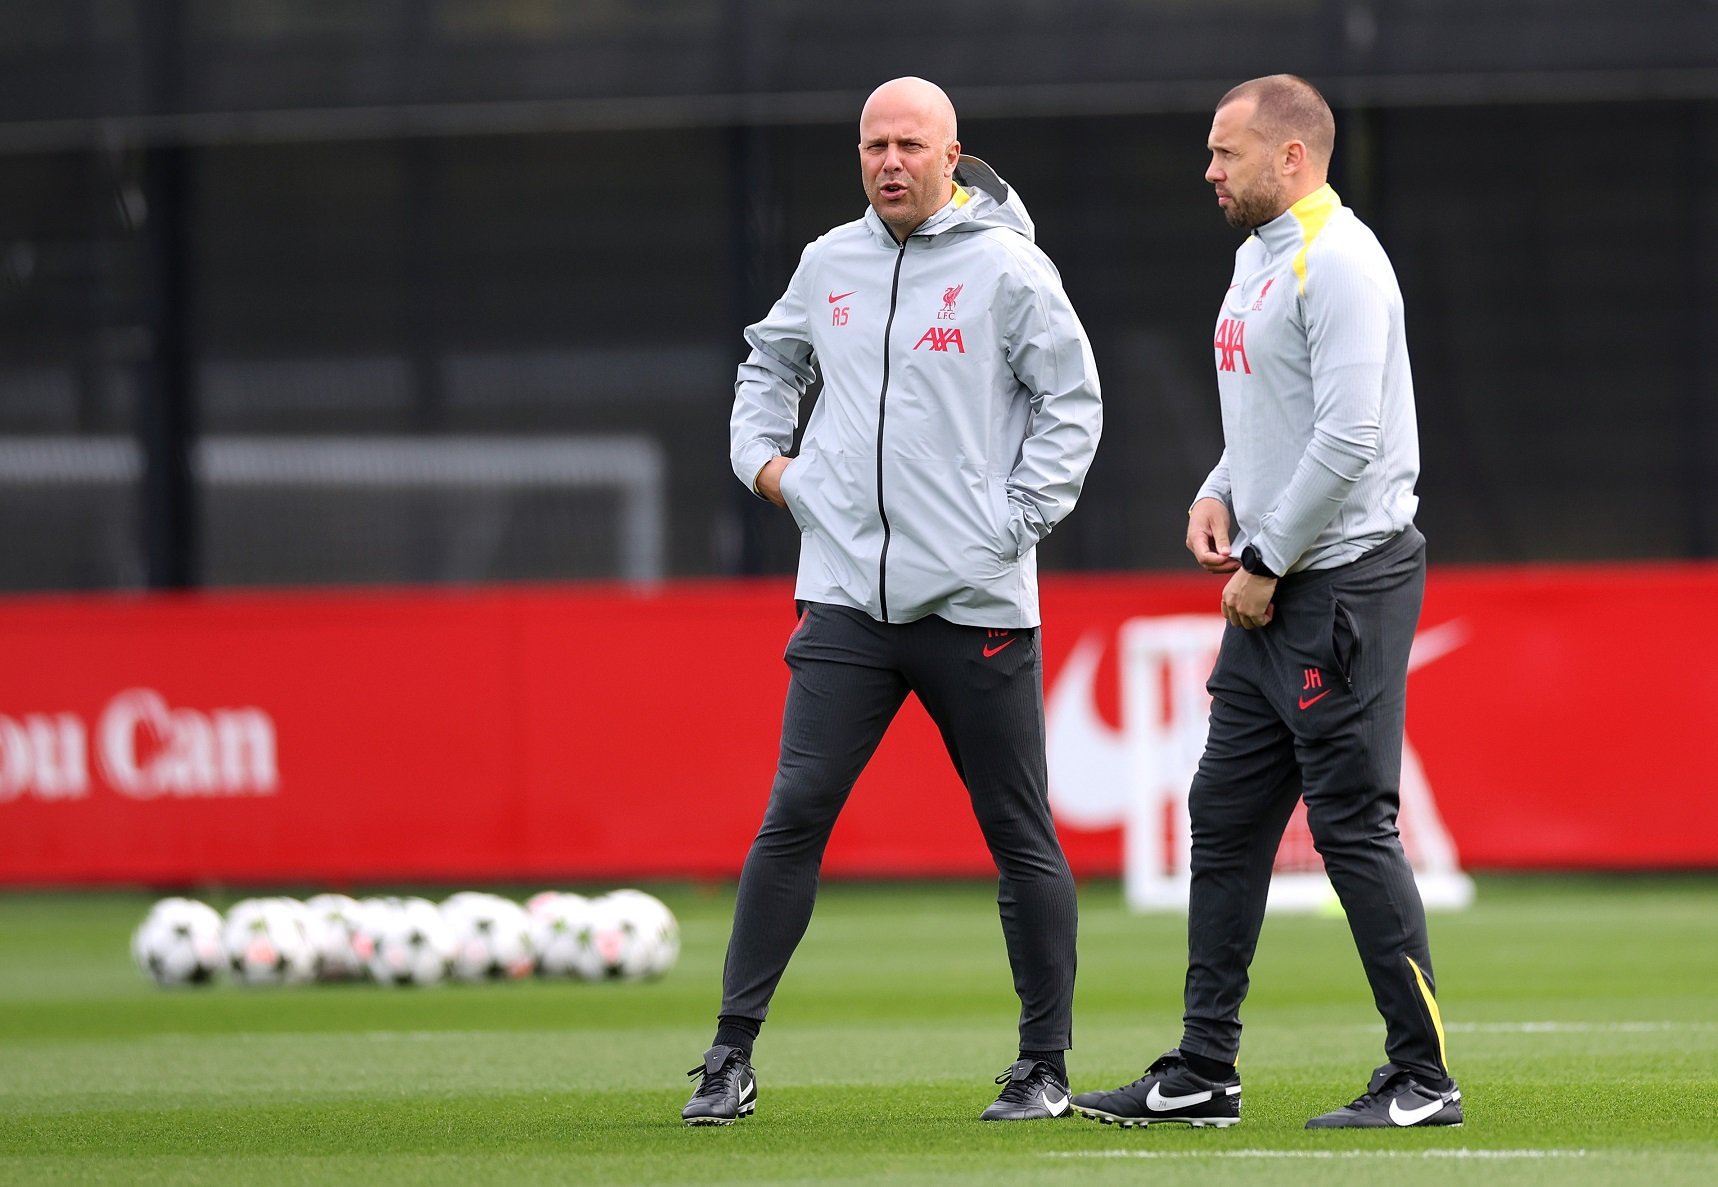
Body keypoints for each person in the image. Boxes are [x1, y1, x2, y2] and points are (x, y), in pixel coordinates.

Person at [683, 76, 1102, 1126]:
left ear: (951, 155)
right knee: (792, 816)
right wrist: (765, 468)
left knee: (1017, 832)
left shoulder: (1009, 268)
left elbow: (1072, 407)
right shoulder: (829, 261)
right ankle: (727, 1055)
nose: (889, 161)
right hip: (843, 603)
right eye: (874, 144)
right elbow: (766, 362)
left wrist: (1005, 528)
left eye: (910, 143)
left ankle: (1042, 1064)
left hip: (975, 608)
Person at [1072, 74, 1461, 1131]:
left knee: (1349, 826)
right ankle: (1202, 1068)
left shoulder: (1337, 261)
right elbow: (1274, 413)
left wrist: (1265, 556)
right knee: (1224, 813)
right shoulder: (1256, 258)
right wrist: (1217, 487)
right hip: (1276, 580)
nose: (1208, 169)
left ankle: (1421, 1077)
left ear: (1291, 157)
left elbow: (1347, 437)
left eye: (1224, 152)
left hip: (1336, 582)